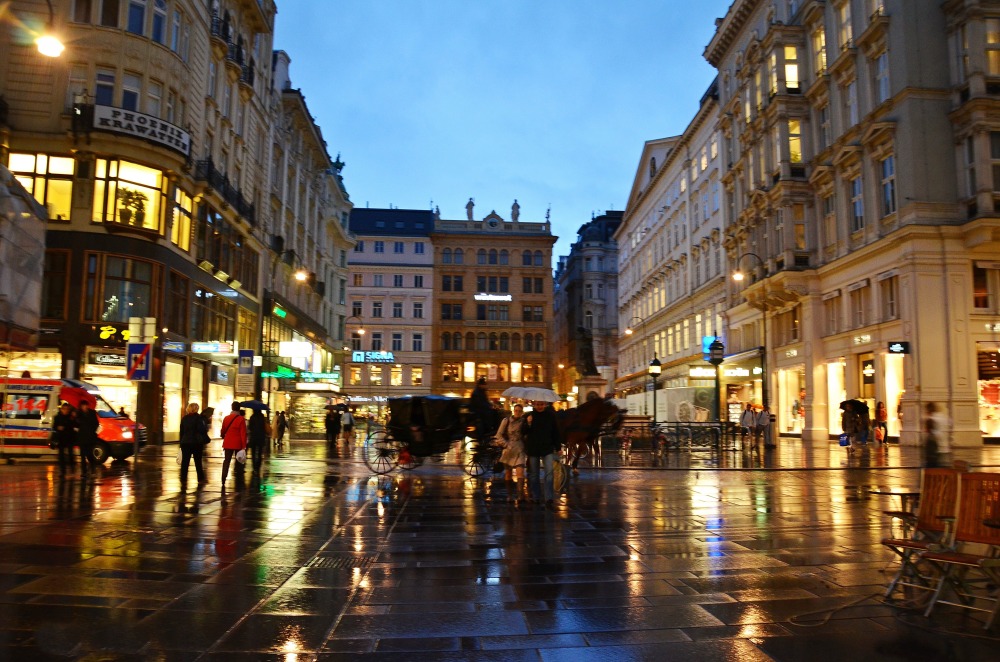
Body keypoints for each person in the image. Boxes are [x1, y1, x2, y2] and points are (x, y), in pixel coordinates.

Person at [524, 400, 562, 507]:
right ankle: (536, 496)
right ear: (534, 405)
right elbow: (523, 431)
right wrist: (528, 423)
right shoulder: (529, 416)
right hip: (533, 449)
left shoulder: (551, 416)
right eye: (537, 404)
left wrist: (558, 447)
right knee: (534, 474)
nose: (539, 406)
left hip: (547, 448)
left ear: (544, 404)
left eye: (541, 404)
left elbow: (555, 432)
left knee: (549, 474)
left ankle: (549, 497)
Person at [496, 404, 527, 505]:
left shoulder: (524, 421)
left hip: (520, 448)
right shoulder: (506, 421)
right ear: (514, 411)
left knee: (520, 472)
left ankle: (520, 495)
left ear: (522, 412)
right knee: (508, 473)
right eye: (516, 410)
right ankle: (509, 495)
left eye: (520, 411)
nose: (518, 412)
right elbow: (499, 435)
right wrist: (505, 444)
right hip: (509, 449)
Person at [179, 403, 208, 485]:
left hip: (185, 442)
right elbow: (202, 430)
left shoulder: (184, 418)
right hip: (196, 443)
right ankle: (200, 478)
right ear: (196, 409)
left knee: (185, 462)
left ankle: (183, 478)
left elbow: (182, 431)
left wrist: (181, 443)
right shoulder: (199, 418)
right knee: (198, 461)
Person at [220, 402, 247, 485]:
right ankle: (239, 480)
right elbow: (243, 433)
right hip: (237, 443)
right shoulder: (241, 419)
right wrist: (244, 446)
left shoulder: (226, 418)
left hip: (228, 443)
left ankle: (223, 478)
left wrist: (222, 435)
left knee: (226, 461)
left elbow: (223, 430)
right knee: (238, 461)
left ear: (232, 408)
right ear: (239, 408)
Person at [75, 400, 100, 477]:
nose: (84, 407)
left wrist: (92, 430)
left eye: (85, 405)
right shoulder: (78, 414)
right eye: (83, 406)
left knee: (89, 455)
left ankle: (92, 469)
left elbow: (96, 423)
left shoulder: (92, 413)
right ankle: (84, 471)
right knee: (82, 455)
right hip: (82, 437)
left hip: (90, 437)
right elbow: (76, 425)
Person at [52, 402, 77, 475]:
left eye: (67, 409)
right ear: (61, 409)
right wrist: (57, 427)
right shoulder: (57, 417)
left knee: (71, 455)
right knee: (61, 456)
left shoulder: (71, 417)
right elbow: (54, 426)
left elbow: (74, 425)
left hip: (69, 437)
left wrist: (73, 418)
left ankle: (72, 469)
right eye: (64, 409)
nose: (65, 410)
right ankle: (62, 471)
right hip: (61, 438)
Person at [923, 402, 950, 468]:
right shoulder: (943, 417)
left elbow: (930, 432)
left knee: (933, 469)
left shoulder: (931, 419)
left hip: (935, 450)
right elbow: (949, 425)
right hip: (945, 448)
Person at [247, 409, 270, 474]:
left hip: (254, 437)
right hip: (261, 437)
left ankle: (254, 467)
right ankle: (258, 467)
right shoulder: (262, 418)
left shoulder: (252, 417)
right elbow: (264, 427)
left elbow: (250, 427)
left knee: (253, 453)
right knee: (260, 453)